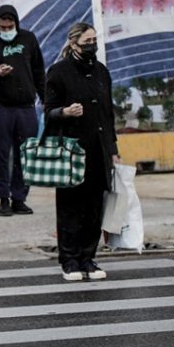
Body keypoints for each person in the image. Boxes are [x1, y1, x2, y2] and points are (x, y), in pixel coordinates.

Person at [44, 22, 118, 282]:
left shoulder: (101, 71)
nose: (92, 45)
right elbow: (48, 111)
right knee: (70, 207)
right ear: (73, 43)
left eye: (94, 40)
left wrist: (113, 149)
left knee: (94, 207)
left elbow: (108, 114)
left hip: (98, 149)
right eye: (87, 41)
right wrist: (64, 112)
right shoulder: (58, 72)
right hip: (71, 150)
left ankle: (88, 257)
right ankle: (69, 260)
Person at [0, 4, 45, 217]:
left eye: (10, 26)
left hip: (26, 108)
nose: (7, 30)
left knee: (25, 155)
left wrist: (45, 98)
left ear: (16, 23)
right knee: (2, 155)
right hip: (1, 109)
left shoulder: (28, 39)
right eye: (3, 27)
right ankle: (3, 199)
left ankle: (20, 198)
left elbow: (39, 71)